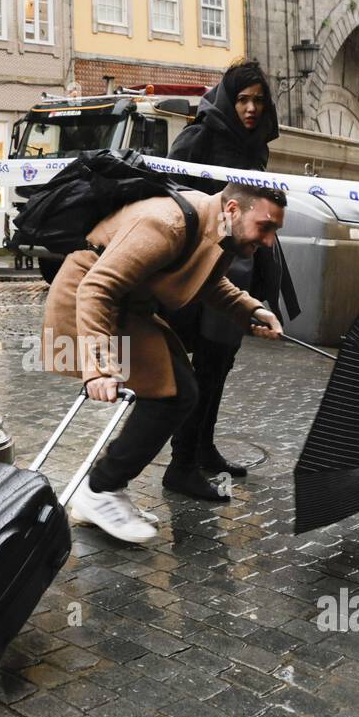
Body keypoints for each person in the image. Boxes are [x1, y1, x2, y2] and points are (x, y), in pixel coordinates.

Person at [40, 182, 286, 544]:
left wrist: (252, 309)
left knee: (181, 389)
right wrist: (99, 367)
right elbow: (97, 289)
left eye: (275, 231)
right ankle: (99, 491)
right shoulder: (166, 223)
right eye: (265, 227)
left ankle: (101, 493)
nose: (268, 241)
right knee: (174, 394)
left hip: (125, 307)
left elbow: (209, 283)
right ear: (233, 209)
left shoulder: (213, 225)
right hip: (87, 303)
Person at [165, 59, 284, 501]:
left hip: (243, 267)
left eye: (258, 100)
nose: (251, 109)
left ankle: (204, 448)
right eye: (243, 99)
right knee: (202, 367)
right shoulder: (201, 135)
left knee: (221, 366)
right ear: (228, 99)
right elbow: (171, 192)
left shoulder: (256, 146)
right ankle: (181, 465)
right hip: (205, 271)